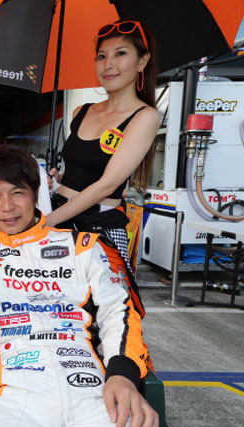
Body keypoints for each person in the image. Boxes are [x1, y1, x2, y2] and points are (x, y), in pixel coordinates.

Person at [0, 146, 156, 427]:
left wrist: (122, 375)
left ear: (35, 193)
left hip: (93, 393)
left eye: (17, 192)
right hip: (11, 397)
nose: (7, 206)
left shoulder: (83, 246)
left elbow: (119, 313)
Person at [47, 19, 161, 272]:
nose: (108, 64)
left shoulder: (145, 117)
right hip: (58, 217)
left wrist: (44, 223)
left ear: (142, 62)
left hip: (98, 227)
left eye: (120, 54)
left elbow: (106, 185)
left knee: (102, 298)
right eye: (101, 56)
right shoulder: (80, 111)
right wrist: (56, 181)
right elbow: (82, 172)